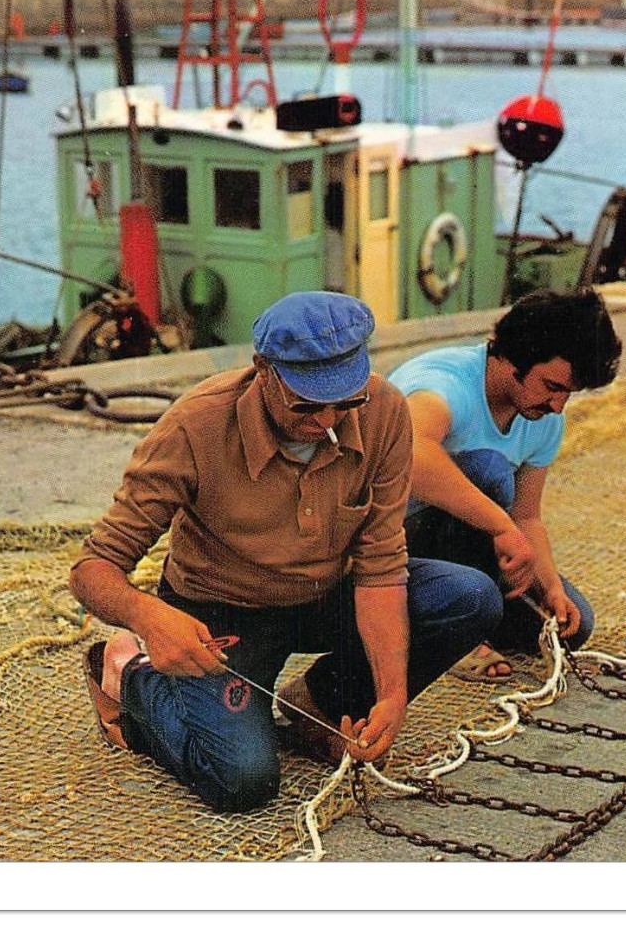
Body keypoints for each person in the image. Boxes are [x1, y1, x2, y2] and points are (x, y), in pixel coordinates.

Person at [70, 291, 500, 812]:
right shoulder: (193, 428)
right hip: (226, 615)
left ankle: (317, 705)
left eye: (344, 403)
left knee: (470, 597)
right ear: (263, 371)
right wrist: (152, 618)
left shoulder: (384, 410)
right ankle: (127, 673)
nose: (326, 422)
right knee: (242, 782)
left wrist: (391, 694)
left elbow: (381, 569)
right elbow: (92, 568)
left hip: (329, 593)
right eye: (307, 404)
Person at [388, 288, 621, 681]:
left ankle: (467, 614)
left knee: (573, 626)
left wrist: (549, 586)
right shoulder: (444, 382)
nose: (558, 406)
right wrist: (501, 526)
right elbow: (410, 453)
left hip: (469, 554)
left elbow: (527, 516)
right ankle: (456, 633)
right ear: (513, 357)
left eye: (568, 393)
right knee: (487, 471)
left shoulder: (544, 417)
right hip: (384, 553)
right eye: (552, 387)